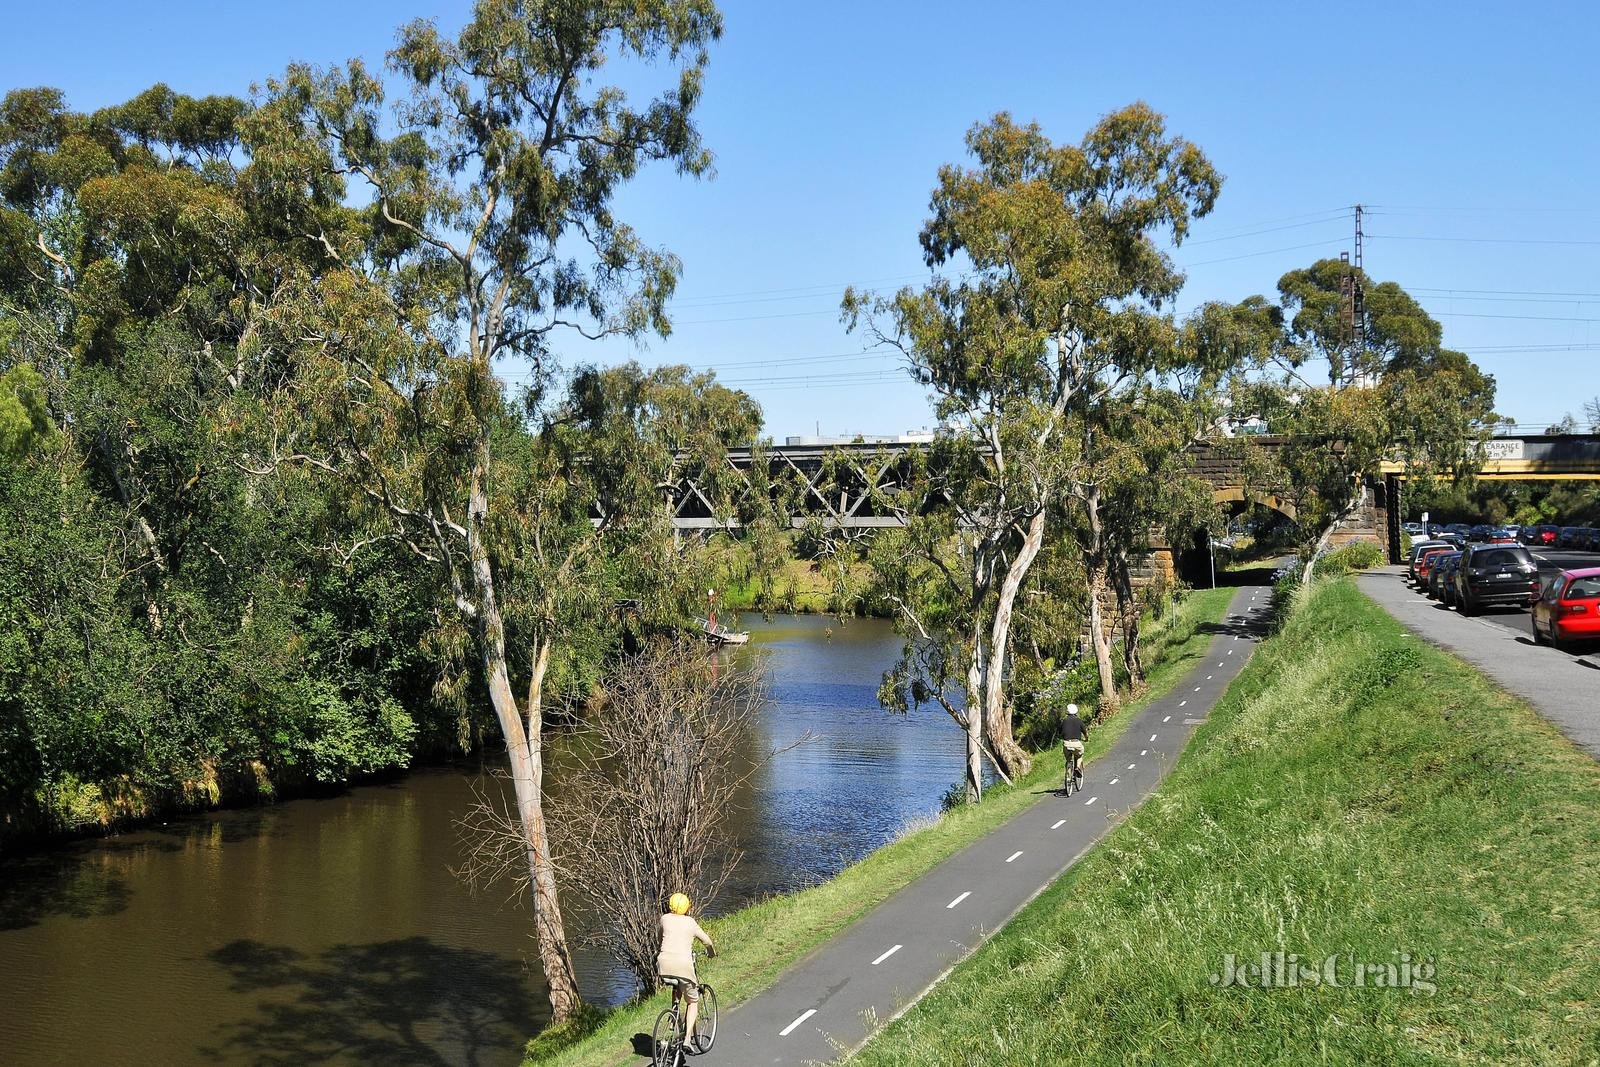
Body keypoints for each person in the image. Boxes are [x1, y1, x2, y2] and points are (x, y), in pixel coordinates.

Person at [658, 892, 715, 1049]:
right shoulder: (690, 922)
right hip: (683, 965)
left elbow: (660, 938)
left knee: (677, 983)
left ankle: (673, 1020)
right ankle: (688, 1039)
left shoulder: (664, 919)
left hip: (663, 965)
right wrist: (711, 953)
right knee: (693, 1001)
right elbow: (707, 941)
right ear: (687, 907)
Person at [1061, 702, 1088, 792]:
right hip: (1076, 743)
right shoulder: (1078, 721)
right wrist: (1086, 738)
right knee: (1080, 755)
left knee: (1068, 760)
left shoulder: (1064, 721)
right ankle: (1077, 767)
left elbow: (1060, 732)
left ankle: (1068, 775)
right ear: (1076, 711)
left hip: (1066, 744)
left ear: (1067, 712)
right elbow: (1084, 731)